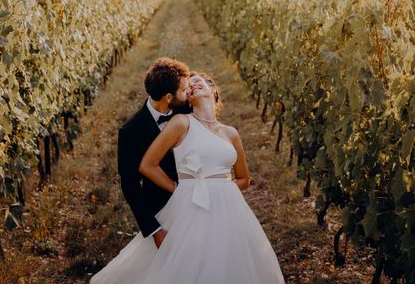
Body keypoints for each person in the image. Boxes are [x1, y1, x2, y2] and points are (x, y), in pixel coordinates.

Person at [90, 69, 285, 284]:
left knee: (231, 261)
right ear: (183, 99)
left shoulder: (231, 133)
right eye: (188, 87)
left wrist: (221, 191)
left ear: (212, 89)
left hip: (229, 208)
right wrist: (180, 189)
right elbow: (143, 169)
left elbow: (244, 179)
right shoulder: (181, 121)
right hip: (188, 204)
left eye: (198, 81)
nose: (192, 86)